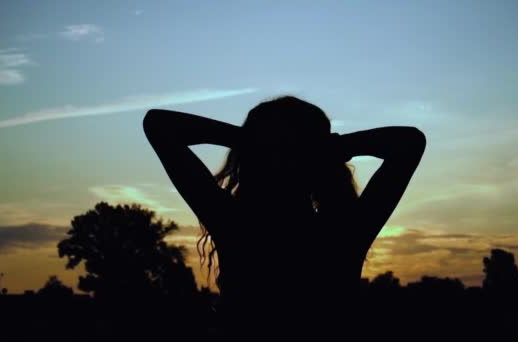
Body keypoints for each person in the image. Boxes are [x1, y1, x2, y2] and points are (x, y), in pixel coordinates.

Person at [143, 95, 426, 340]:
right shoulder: (345, 232)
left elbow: (160, 126)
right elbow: (408, 143)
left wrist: (249, 141)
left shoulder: (233, 225)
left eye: (292, 151)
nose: (282, 159)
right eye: (274, 149)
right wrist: (326, 148)